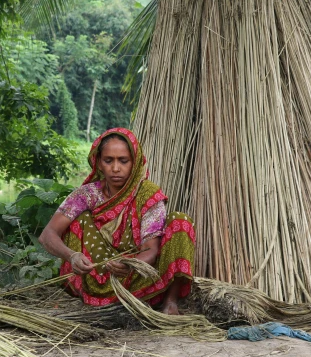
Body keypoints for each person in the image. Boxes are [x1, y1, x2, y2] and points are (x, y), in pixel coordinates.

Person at [38, 128, 195, 315]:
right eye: (108, 160)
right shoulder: (87, 194)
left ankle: (170, 302)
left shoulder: (147, 194)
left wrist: (130, 265)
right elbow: (47, 234)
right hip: (97, 274)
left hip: (138, 276)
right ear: (98, 163)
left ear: (134, 163)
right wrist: (72, 256)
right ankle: (96, 296)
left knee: (180, 221)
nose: (115, 168)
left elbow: (151, 249)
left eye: (123, 161)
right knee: (78, 221)